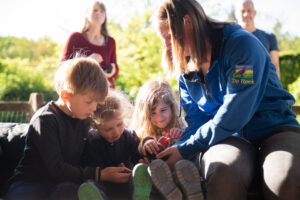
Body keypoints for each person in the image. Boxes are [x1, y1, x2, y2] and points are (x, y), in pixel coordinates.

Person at [152, 0, 300, 200]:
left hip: (276, 130)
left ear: (187, 23)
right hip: (227, 140)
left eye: (168, 37)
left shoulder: (242, 46)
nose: (166, 47)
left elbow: (235, 112)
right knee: (224, 174)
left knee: (285, 181)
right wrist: (174, 150)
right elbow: (196, 122)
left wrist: (186, 148)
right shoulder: (186, 70)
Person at [5, 57, 109, 200]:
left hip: (63, 182)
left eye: (97, 102)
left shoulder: (83, 116)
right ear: (66, 95)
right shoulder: (46, 119)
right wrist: (99, 173)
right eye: (89, 101)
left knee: (77, 189)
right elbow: (56, 169)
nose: (94, 107)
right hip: (32, 181)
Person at [82, 89, 152, 200]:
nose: (116, 132)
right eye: (108, 129)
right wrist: (106, 172)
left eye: (119, 124)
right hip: (105, 186)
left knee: (138, 176)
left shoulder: (129, 136)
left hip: (127, 184)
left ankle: (141, 195)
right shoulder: (92, 142)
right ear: (95, 126)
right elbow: (90, 166)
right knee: (91, 184)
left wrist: (132, 167)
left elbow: (138, 155)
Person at [61, 0, 119, 88]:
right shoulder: (76, 37)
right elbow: (63, 66)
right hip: (82, 90)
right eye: (95, 10)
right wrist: (88, 61)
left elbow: (116, 69)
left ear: (105, 16)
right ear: (86, 14)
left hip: (106, 90)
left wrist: (113, 70)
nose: (98, 13)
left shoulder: (110, 42)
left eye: (102, 11)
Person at [130, 78, 185, 161]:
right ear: (145, 115)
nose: (159, 117)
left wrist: (180, 138)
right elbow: (138, 149)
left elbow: (189, 144)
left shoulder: (179, 124)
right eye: (152, 113)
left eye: (163, 110)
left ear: (172, 107)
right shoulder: (144, 130)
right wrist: (146, 143)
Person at [236, 0, 280, 79]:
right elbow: (230, 71)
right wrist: (260, 72)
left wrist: (278, 88)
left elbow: (275, 67)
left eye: (249, 11)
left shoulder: (269, 36)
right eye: (243, 11)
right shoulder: (230, 39)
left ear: (254, 13)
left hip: (266, 89)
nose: (246, 14)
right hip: (241, 89)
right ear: (237, 14)